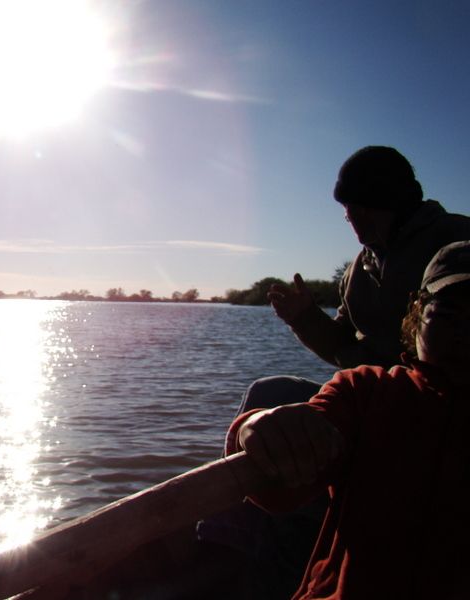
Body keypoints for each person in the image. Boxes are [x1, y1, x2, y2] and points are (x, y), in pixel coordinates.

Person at [197, 146, 470, 599]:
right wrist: (305, 319)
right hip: (378, 400)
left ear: (398, 202)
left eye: (365, 210)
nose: (357, 223)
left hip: (437, 406)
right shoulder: (358, 272)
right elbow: (344, 350)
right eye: (349, 214)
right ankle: (226, 547)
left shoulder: (456, 241)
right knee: (269, 394)